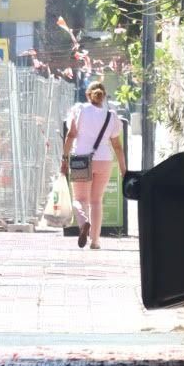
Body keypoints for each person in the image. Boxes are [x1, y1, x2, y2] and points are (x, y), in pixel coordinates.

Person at [60, 81, 126, 249]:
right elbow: (117, 146)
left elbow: (71, 135)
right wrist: (123, 169)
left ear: (88, 95)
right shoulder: (111, 116)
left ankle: (83, 223)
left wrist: (64, 159)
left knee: (79, 199)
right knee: (96, 201)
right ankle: (95, 241)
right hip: (104, 160)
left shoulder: (79, 110)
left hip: (82, 159)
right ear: (104, 97)